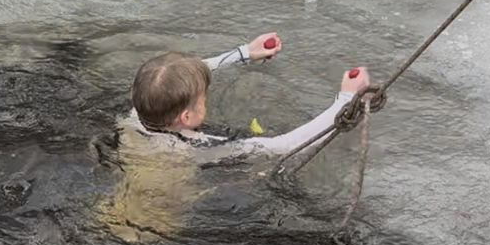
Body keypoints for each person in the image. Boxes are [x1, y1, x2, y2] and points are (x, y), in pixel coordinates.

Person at [123, 30, 370, 159]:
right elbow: (286, 147)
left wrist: (244, 53)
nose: (206, 98)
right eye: (204, 97)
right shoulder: (199, 147)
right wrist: (347, 100)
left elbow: (176, 75)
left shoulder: (137, 112)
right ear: (186, 117)